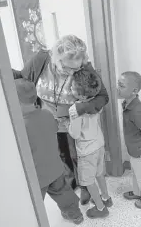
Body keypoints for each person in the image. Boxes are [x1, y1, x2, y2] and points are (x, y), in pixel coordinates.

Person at [15, 35, 109, 204]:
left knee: (77, 158)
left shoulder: (84, 67)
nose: (72, 72)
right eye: (67, 68)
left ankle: (86, 188)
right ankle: (70, 186)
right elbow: (23, 79)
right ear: (56, 58)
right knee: (61, 158)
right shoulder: (41, 60)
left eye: (76, 69)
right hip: (46, 123)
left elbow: (102, 96)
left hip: (71, 124)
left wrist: (80, 109)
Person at [14, 78, 84, 225]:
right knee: (64, 193)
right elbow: (54, 128)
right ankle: (75, 215)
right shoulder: (46, 114)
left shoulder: (19, 126)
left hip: (37, 176)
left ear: (15, 101)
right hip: (55, 168)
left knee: (33, 203)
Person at [66, 69, 112, 219]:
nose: (70, 89)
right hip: (99, 145)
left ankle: (100, 208)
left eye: (72, 87)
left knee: (89, 181)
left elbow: (75, 134)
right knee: (99, 174)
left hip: (86, 151)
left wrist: (68, 125)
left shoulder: (75, 110)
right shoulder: (95, 105)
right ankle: (106, 198)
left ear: (81, 95)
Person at [117, 71, 141, 209]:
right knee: (136, 173)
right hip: (134, 149)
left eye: (121, 86)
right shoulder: (127, 104)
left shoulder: (136, 111)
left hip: (139, 151)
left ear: (134, 91)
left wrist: (139, 146)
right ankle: (137, 192)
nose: (117, 88)